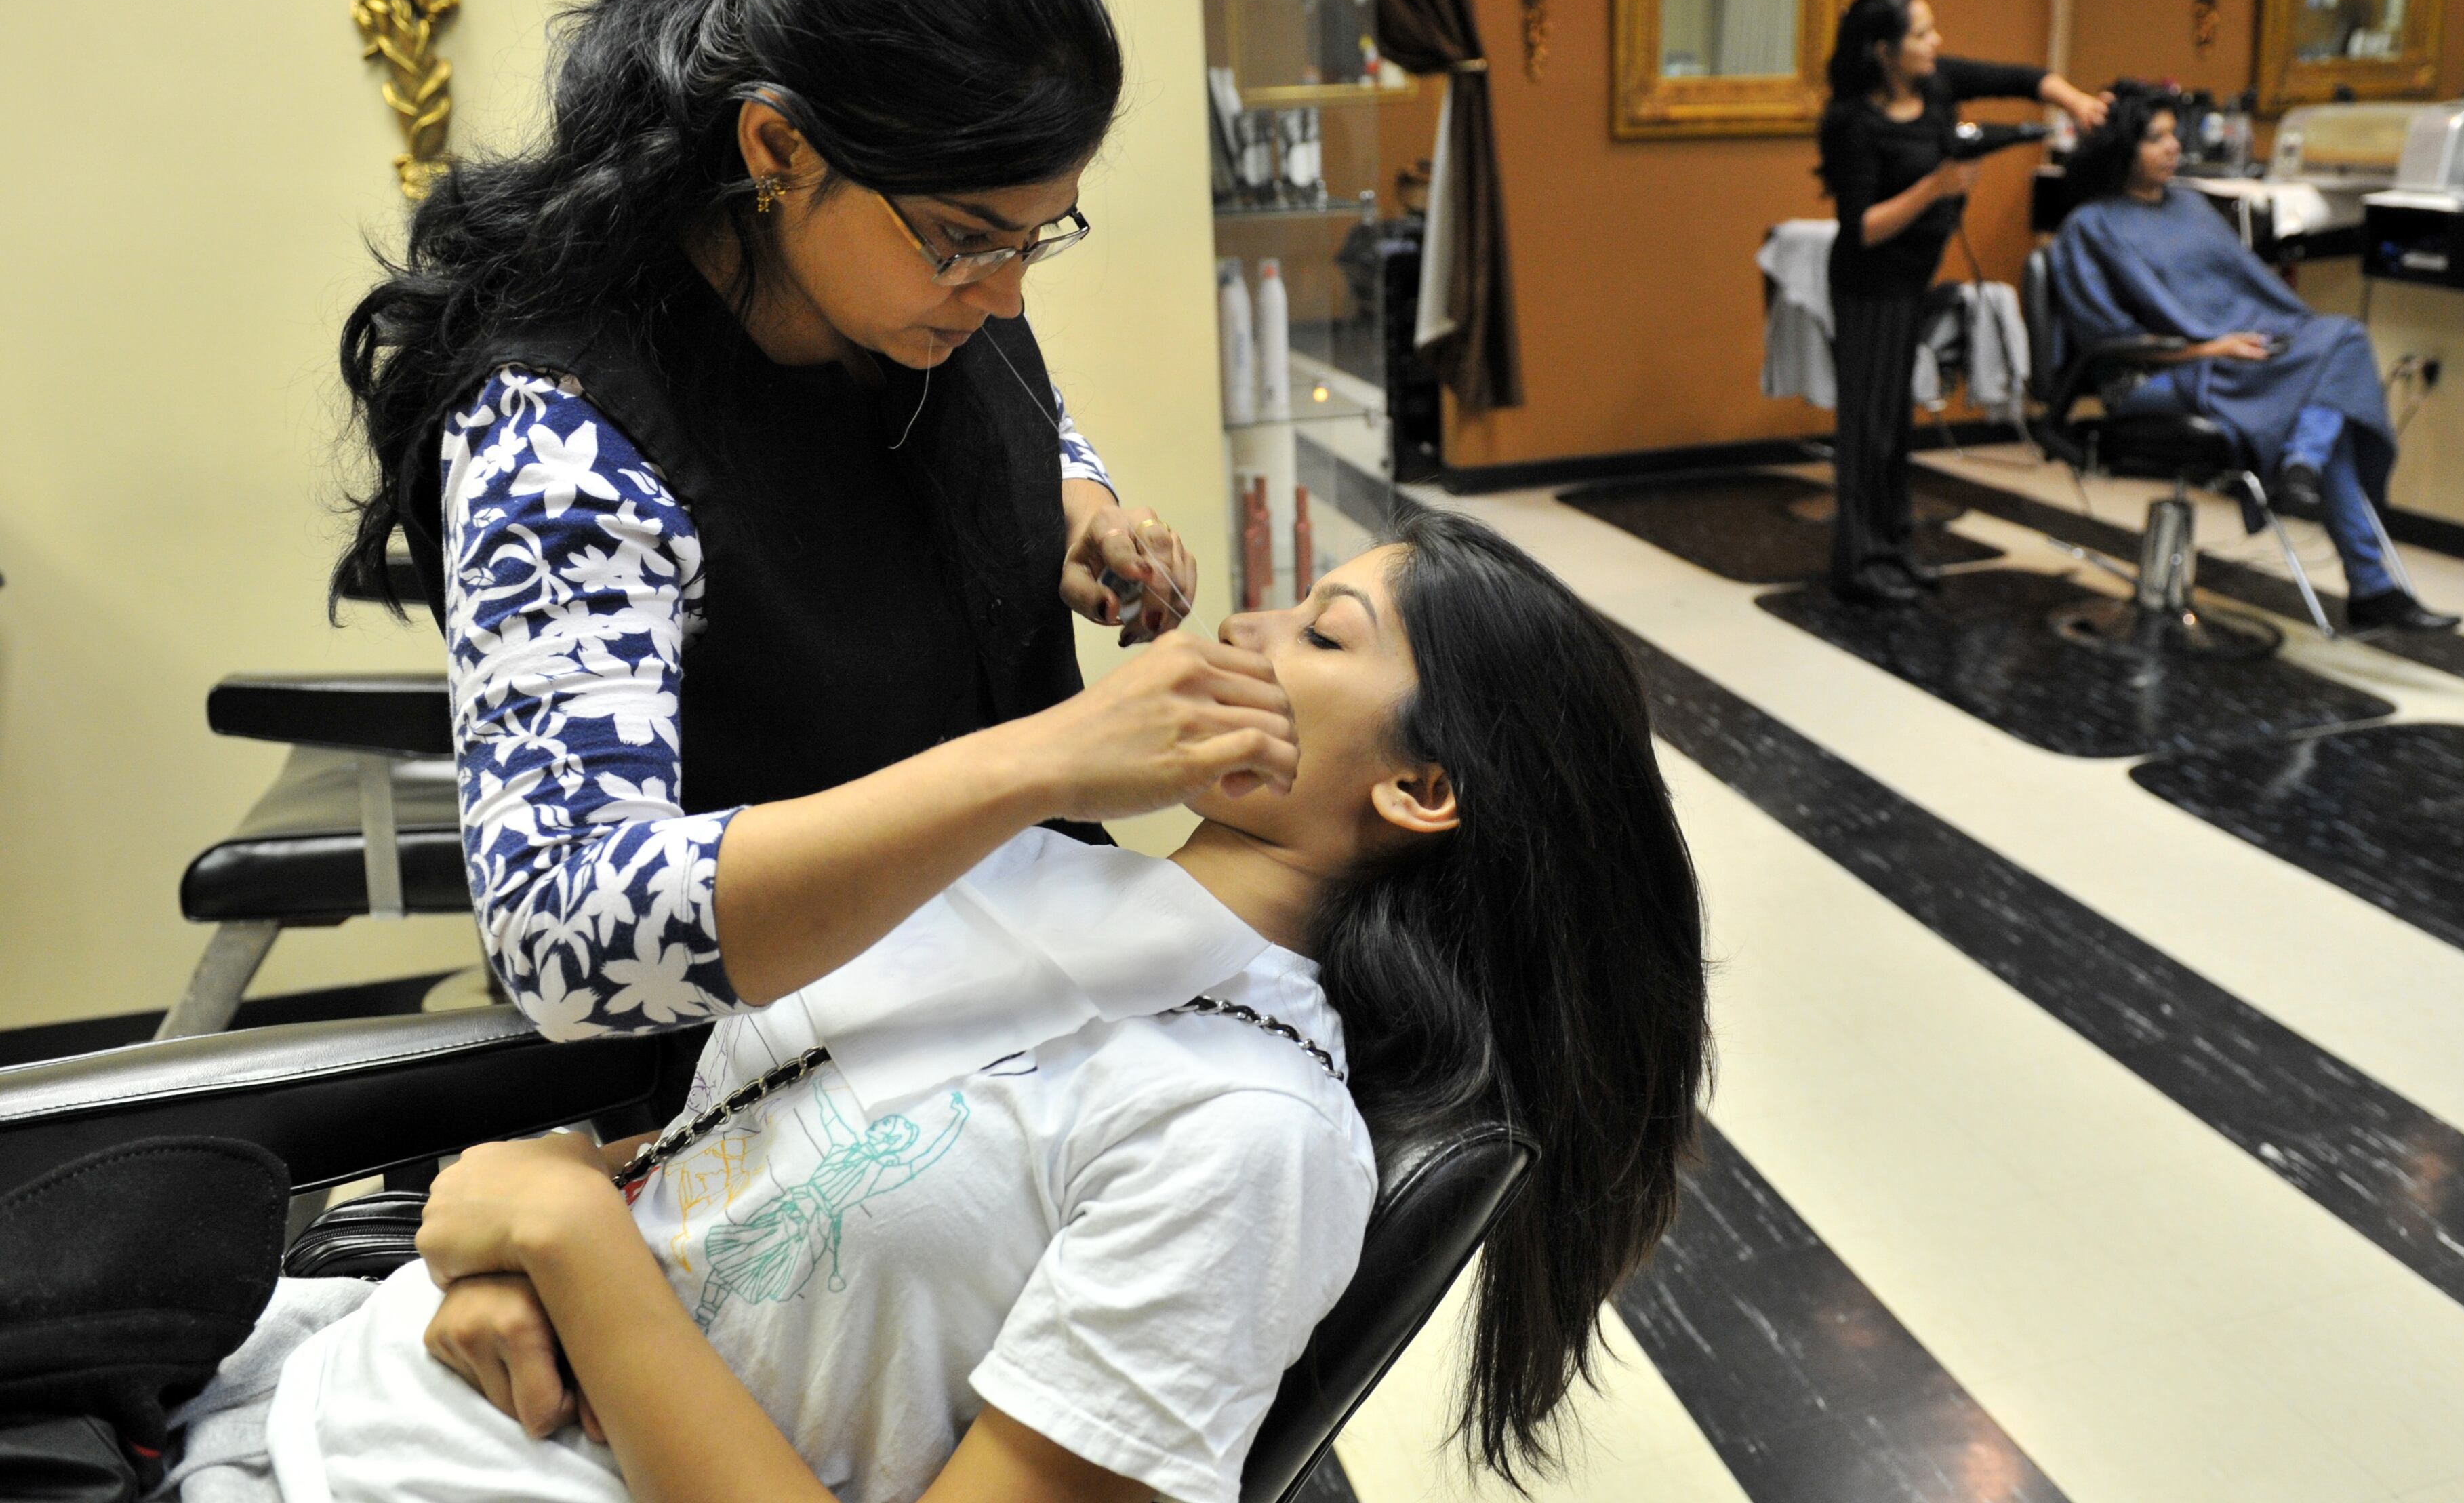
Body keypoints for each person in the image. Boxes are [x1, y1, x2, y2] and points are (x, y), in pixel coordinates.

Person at [156, 512, 1712, 1503]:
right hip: (326, 1373)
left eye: (1319, 635)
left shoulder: (1252, 1137)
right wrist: (509, 1231)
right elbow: (738, 1152)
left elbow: (619, 1232)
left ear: (1420, 787)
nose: (1244, 630)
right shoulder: (1013, 874)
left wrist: (565, 1242)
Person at [333, 0, 1285, 1042]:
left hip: (1023, 991)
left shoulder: (924, 291)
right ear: (778, 148)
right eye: (967, 240)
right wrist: (1046, 762)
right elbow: (561, 934)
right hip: (785, 1082)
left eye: (1039, 238)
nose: (1005, 295)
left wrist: (1077, 505)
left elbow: (1019, 410)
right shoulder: (561, 430)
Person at [2050, 84, 2460, 632]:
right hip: (2151, 376)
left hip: (2230, 357)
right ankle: (2364, 575)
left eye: (2174, 135)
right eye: (2156, 139)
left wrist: (2255, 340)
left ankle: (2310, 478)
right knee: (2328, 410)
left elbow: (2244, 289)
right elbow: (2104, 333)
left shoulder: (2190, 205)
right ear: (2121, 148)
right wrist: (2206, 348)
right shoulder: (2090, 227)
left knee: (2341, 341)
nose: (2174, 147)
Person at [1815, 0, 2113, 603]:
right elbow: (1861, 227)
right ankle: (1861, 564)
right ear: (1884, 50)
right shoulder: (1854, 123)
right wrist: (1935, 187)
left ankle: (1895, 551)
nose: (1937, 42)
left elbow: (2024, 79)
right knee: (1868, 429)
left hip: (1911, 281)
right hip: (1869, 288)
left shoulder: (1937, 83)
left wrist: (2077, 103)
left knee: (1894, 428)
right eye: (1922, 33)